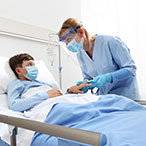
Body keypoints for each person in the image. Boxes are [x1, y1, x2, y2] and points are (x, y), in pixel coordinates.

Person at [58, 18, 140, 100]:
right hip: (106, 99)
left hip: (126, 97)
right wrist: (86, 84)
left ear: (80, 32)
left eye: (69, 39)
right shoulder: (80, 54)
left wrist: (108, 77)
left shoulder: (109, 42)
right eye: (66, 43)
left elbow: (131, 69)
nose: (68, 45)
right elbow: (89, 77)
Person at [8, 53, 89, 112]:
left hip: (60, 103)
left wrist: (70, 91)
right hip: (50, 108)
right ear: (18, 70)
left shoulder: (43, 83)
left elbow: (59, 98)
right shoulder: (17, 83)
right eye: (29, 65)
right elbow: (14, 105)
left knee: (88, 102)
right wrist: (45, 95)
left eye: (34, 65)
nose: (34, 68)